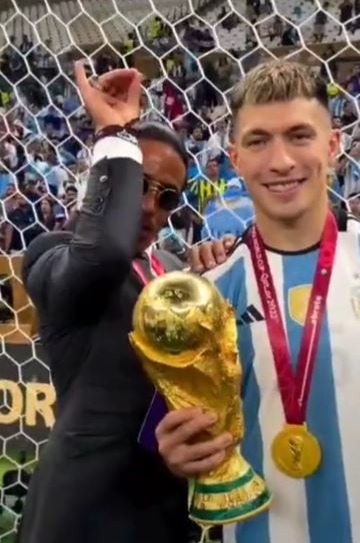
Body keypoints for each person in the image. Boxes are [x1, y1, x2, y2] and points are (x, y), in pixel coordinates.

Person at [18, 62, 231, 543]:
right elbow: (105, 252)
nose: (149, 207)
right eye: (138, 185)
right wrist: (113, 133)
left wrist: (212, 273)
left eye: (168, 197)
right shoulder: (52, 253)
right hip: (85, 517)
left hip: (167, 514)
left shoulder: (175, 270)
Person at [157, 60, 360, 543]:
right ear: (236, 158)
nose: (281, 160)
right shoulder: (207, 293)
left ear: (333, 146)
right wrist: (174, 453)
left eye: (299, 135)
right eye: (258, 141)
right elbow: (172, 435)